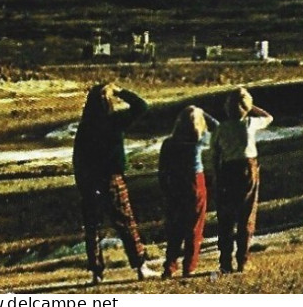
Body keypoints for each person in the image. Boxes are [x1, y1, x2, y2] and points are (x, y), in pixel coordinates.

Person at [72, 82, 158, 283]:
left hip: (89, 182)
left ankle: (97, 272)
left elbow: (78, 159)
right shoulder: (114, 121)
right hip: (111, 178)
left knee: (92, 227)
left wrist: (82, 185)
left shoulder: (85, 128)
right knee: (126, 223)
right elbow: (141, 106)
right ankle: (140, 266)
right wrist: (120, 91)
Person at [211, 87, 272, 274]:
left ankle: (225, 261)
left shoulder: (220, 129)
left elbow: (215, 154)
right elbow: (269, 117)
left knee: (226, 216)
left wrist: (216, 175)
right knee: (247, 213)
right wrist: (251, 107)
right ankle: (243, 260)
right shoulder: (249, 123)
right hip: (247, 167)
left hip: (227, 169)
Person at [158, 105, 216, 278]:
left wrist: (165, 189)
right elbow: (218, 127)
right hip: (195, 182)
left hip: (174, 183)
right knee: (195, 226)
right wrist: (202, 112)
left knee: (175, 227)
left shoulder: (168, 143)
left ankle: (170, 265)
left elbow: (162, 169)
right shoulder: (199, 140)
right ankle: (189, 266)